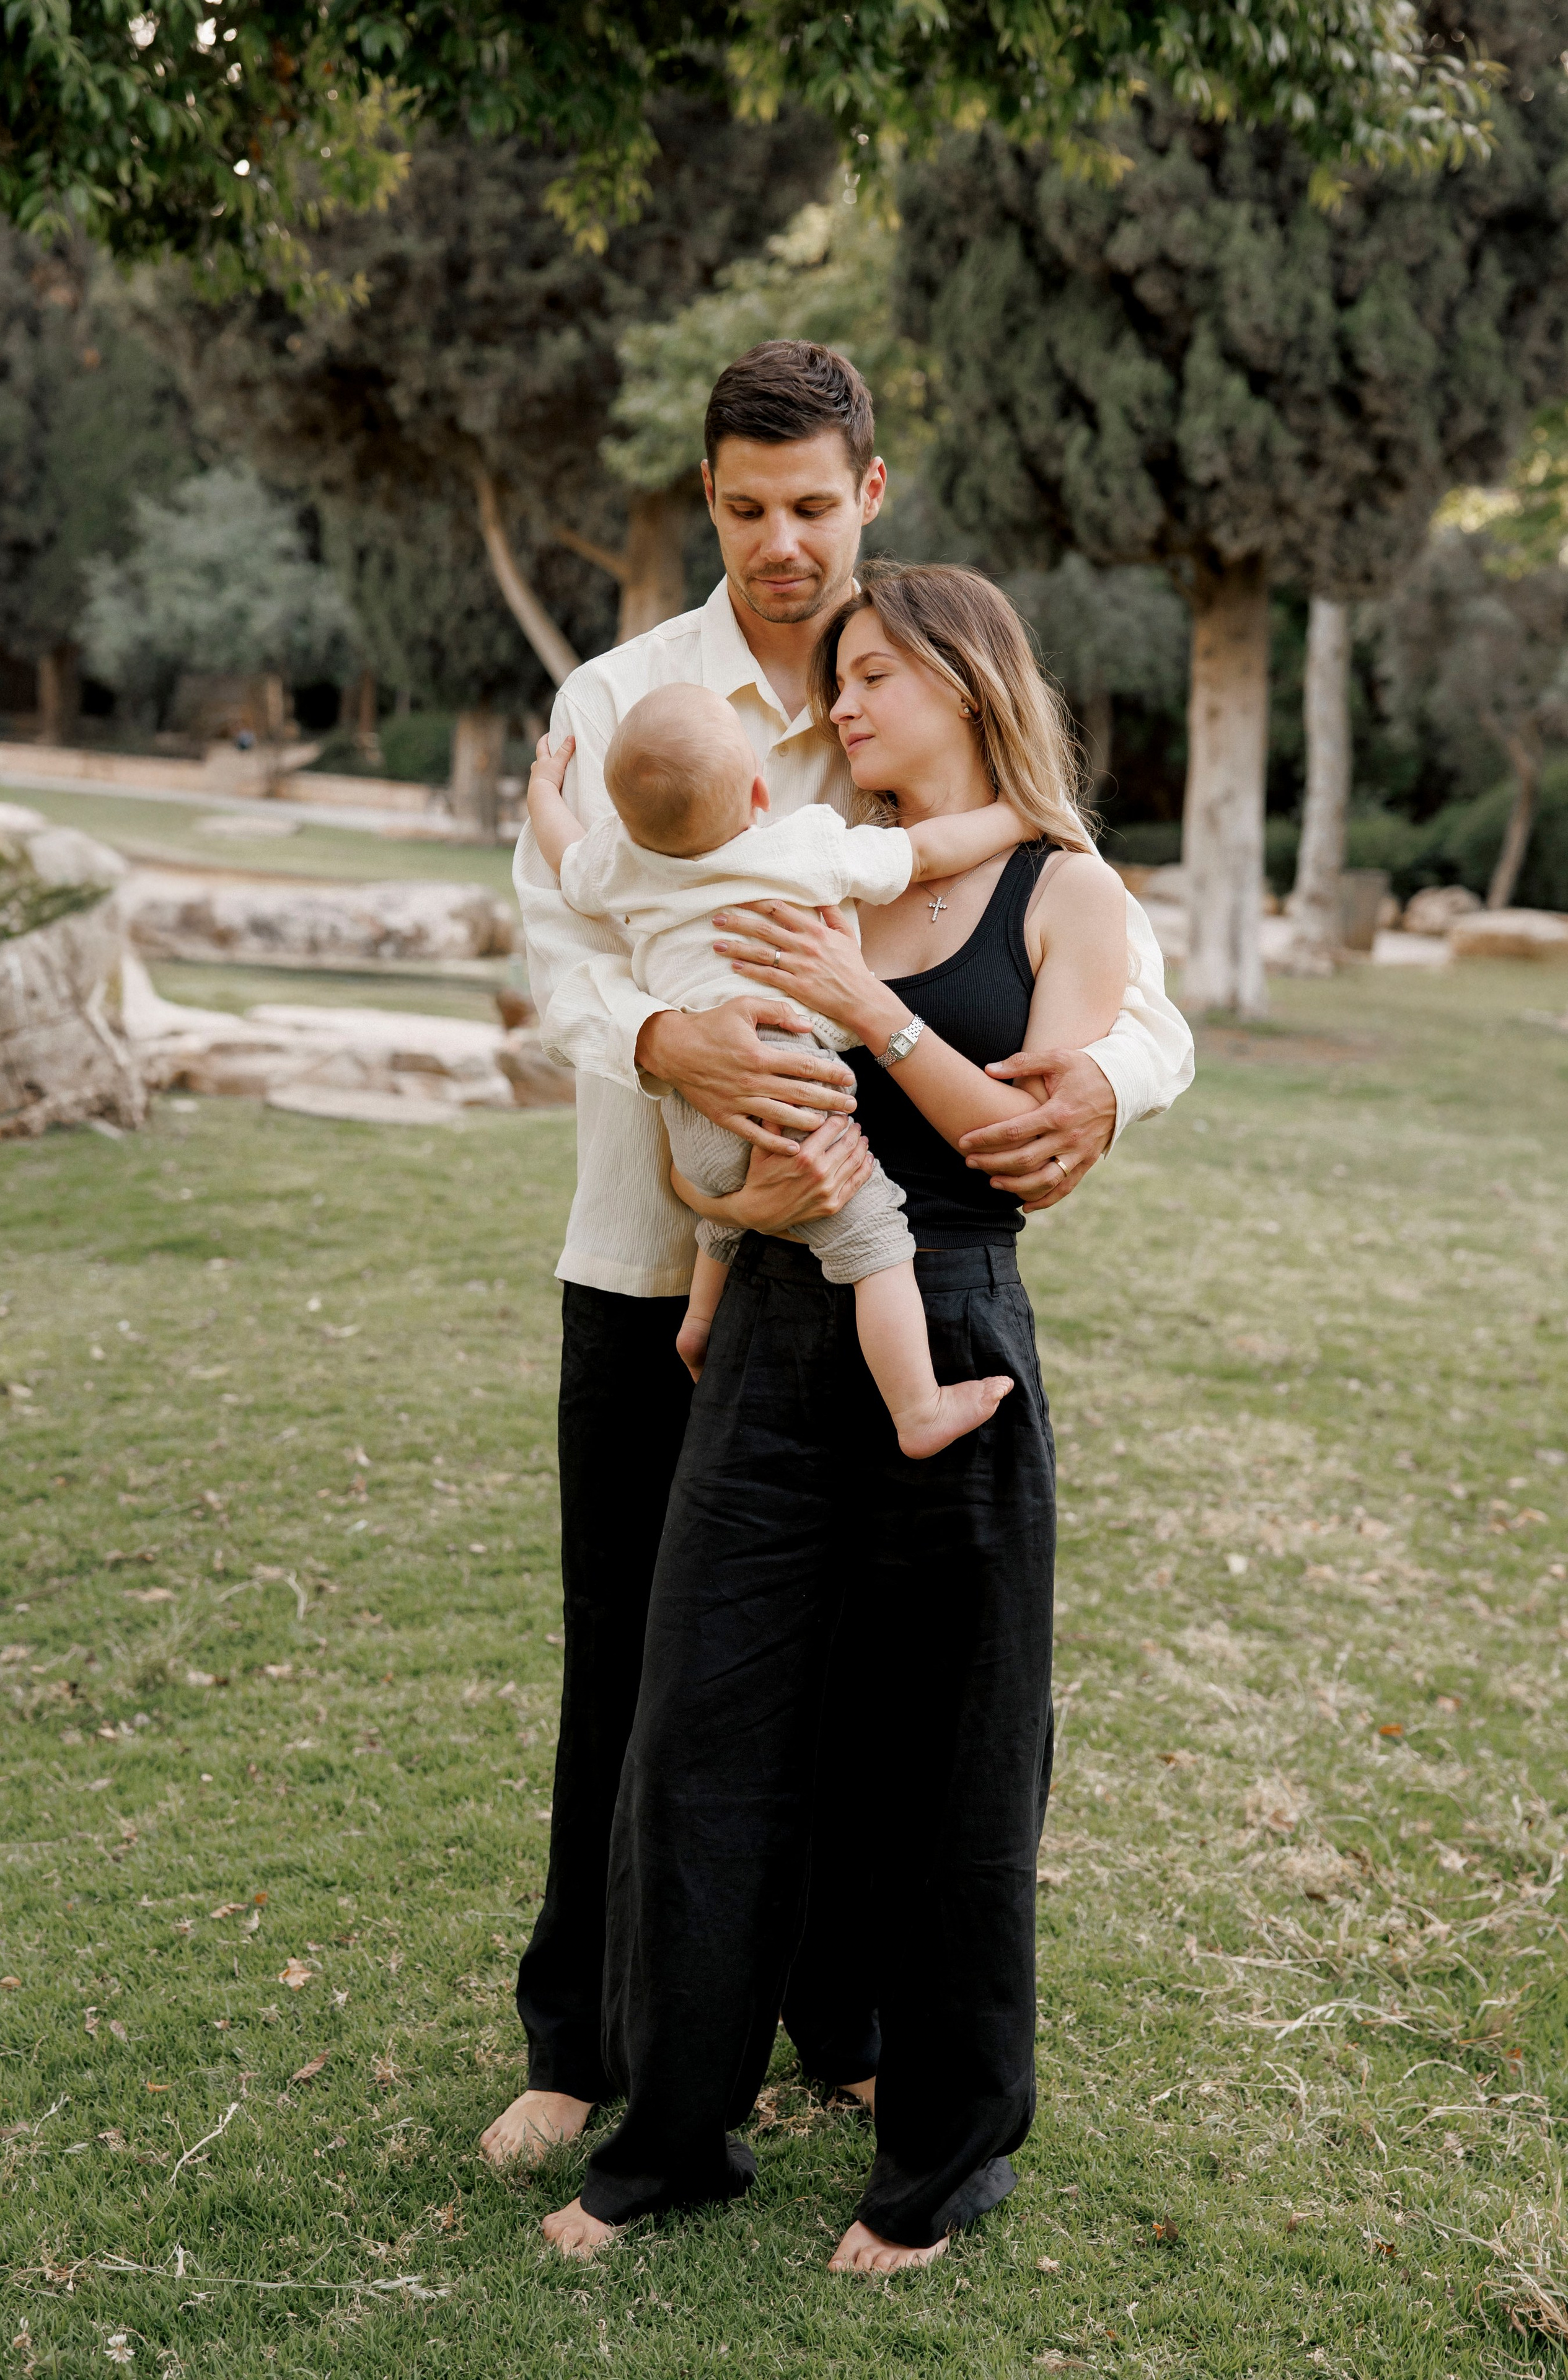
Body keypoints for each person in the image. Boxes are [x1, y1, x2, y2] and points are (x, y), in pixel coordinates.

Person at [482, 340, 1194, 2171]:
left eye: (812, 504)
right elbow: (559, 945)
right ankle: (585, 2039)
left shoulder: (908, 682)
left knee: (867, 1681)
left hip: (856, 1262)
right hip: (654, 1257)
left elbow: (1116, 968)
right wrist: (668, 1041)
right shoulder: (623, 697)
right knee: (633, 1668)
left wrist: (1105, 1081)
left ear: (868, 490)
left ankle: (844, 2018)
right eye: (745, 507)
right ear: (708, 499)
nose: (780, 541)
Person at [526, 678, 1038, 1455]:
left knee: (723, 1215)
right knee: (875, 1241)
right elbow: (926, 852)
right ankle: (918, 1409)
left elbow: (564, 851)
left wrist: (542, 787)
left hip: (697, 1105)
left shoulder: (620, 862)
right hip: (786, 1083)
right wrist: (1019, 815)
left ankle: (700, 1324)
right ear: (760, 792)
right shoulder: (799, 847)